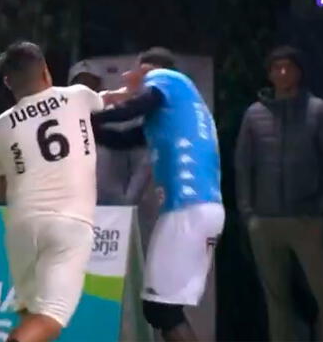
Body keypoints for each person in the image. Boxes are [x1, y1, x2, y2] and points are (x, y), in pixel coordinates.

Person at [0, 41, 132, 342]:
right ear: (47, 72)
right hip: (70, 224)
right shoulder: (77, 97)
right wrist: (131, 90)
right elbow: (108, 99)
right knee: (52, 316)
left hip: (23, 226)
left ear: (8, 82)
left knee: (30, 313)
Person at [92, 47, 225, 342]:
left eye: (139, 73)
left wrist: (97, 110)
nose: (133, 79)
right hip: (195, 209)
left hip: (188, 208)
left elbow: (135, 107)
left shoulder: (168, 79)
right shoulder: (173, 112)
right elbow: (122, 139)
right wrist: (83, 126)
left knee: (162, 310)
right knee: (160, 310)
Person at [234, 46, 323, 341]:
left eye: (288, 67)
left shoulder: (318, 110)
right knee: (276, 299)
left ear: (299, 71)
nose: (282, 73)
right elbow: (243, 165)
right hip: (265, 220)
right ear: (269, 74)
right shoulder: (255, 114)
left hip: (307, 219)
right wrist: (249, 213)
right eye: (277, 68)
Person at [68, 59, 152, 208]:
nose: (85, 87)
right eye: (79, 83)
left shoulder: (116, 113)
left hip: (110, 200)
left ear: (100, 84)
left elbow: (129, 151)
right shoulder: (62, 114)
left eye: (90, 82)